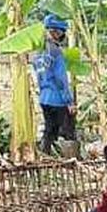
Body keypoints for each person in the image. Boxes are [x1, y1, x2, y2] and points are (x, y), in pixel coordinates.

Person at [33, 13, 75, 155]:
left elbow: (39, 77)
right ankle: (57, 158)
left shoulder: (39, 54)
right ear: (57, 33)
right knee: (62, 131)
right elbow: (61, 78)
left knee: (48, 130)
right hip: (57, 99)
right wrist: (69, 101)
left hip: (44, 98)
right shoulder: (56, 52)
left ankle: (45, 155)